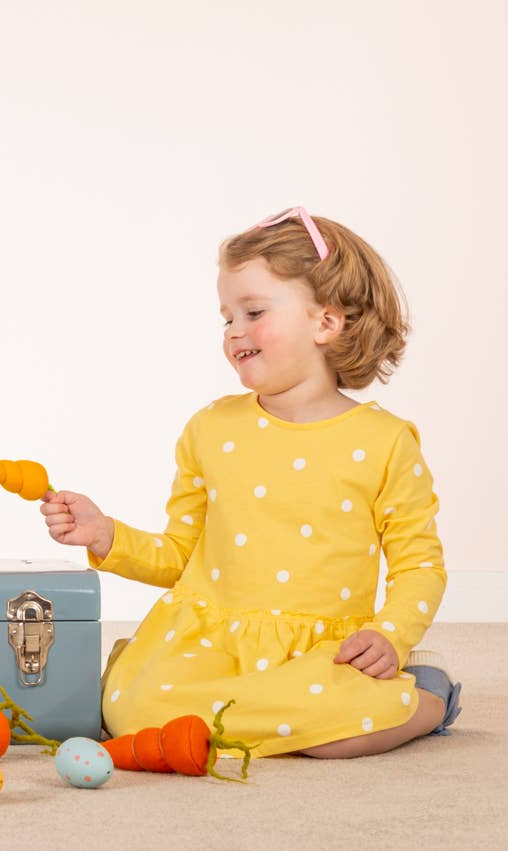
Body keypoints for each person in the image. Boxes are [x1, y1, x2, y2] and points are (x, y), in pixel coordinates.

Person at [42, 207, 461, 758]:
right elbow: (177, 558)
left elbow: (418, 565)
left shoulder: (384, 442)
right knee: (130, 710)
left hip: (319, 650)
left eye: (253, 311)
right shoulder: (211, 428)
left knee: (332, 738)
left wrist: (389, 635)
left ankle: (427, 699)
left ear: (326, 322)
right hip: (212, 643)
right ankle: (282, 718)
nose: (235, 331)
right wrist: (105, 535)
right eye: (226, 317)